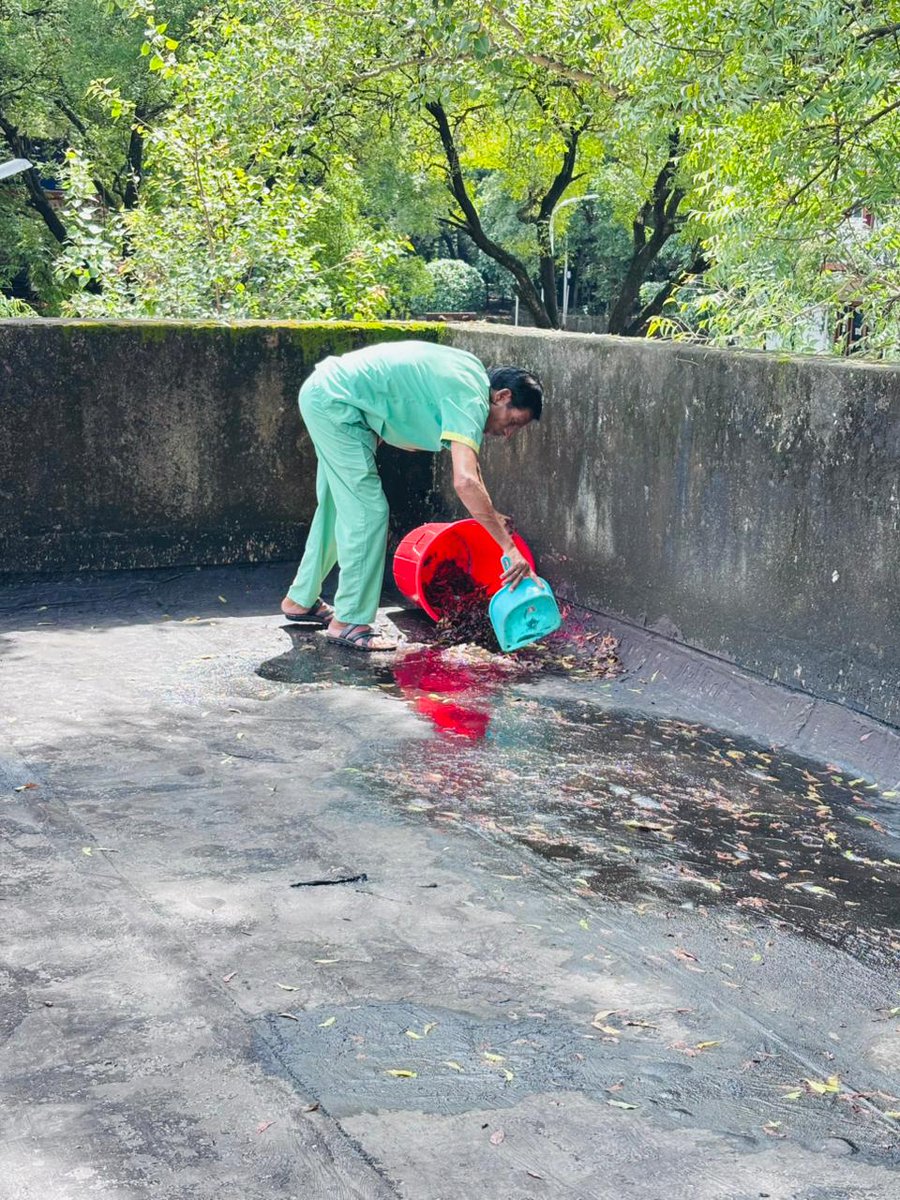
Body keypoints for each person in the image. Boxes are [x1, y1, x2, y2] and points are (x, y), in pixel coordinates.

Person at [281, 339, 543, 651]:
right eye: (512, 422)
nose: (507, 434)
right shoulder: (471, 399)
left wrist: (492, 515)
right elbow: (465, 481)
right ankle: (350, 621)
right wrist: (509, 549)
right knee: (368, 511)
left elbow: (470, 465)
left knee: (338, 507)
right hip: (337, 404)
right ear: (502, 397)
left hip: (330, 393)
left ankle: (301, 599)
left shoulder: (470, 377)